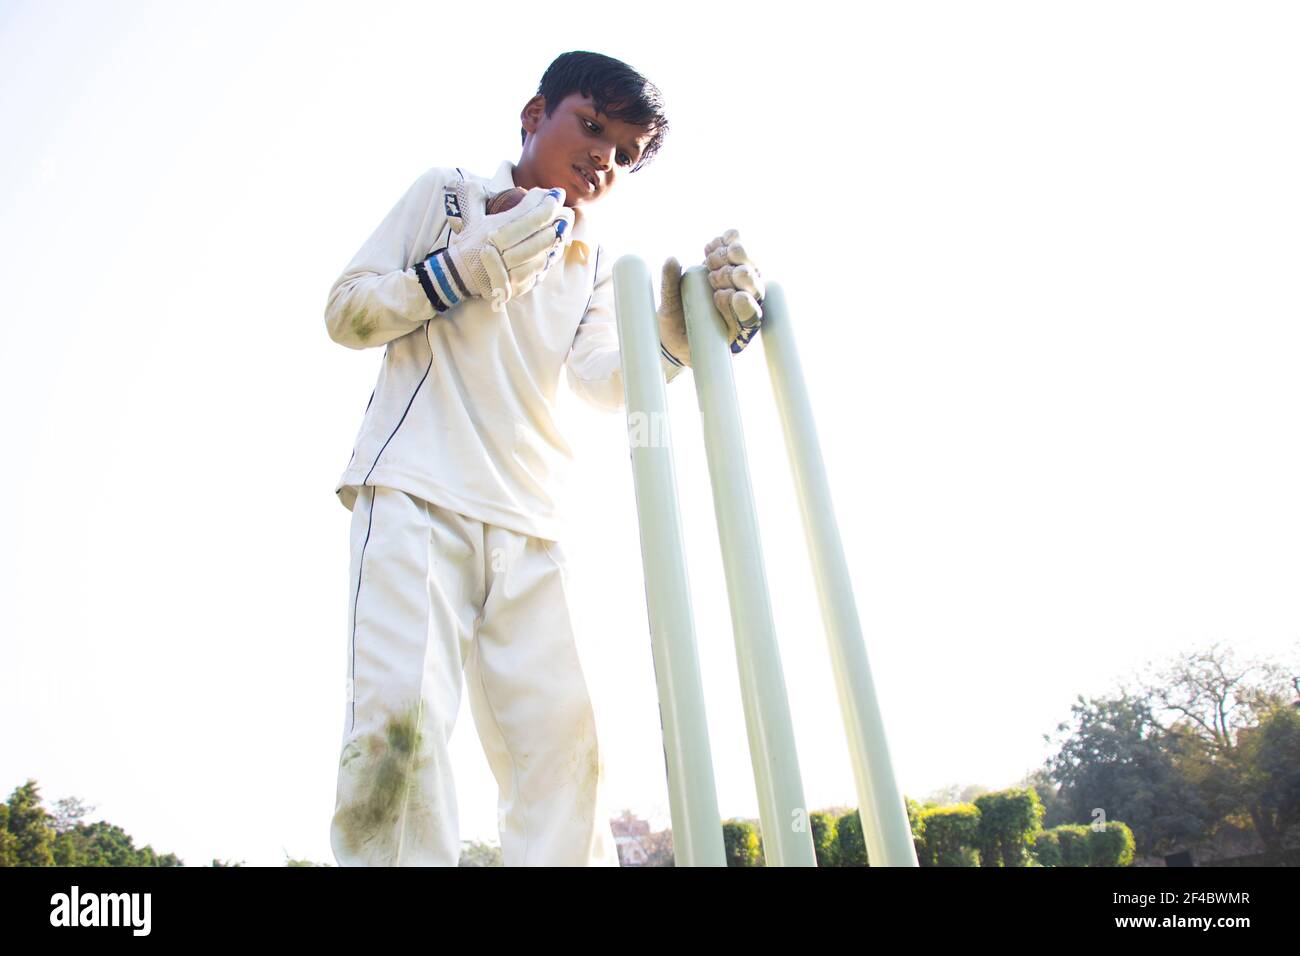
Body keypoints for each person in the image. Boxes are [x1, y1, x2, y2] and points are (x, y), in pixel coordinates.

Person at [323, 50, 766, 866]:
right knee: (398, 734)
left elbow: (603, 381)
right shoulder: (448, 195)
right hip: (416, 496)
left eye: (623, 153)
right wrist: (460, 269)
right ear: (534, 115)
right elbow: (347, 311)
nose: (603, 157)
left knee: (569, 756)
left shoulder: (591, 259)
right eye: (590, 127)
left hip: (533, 522)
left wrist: (672, 337)